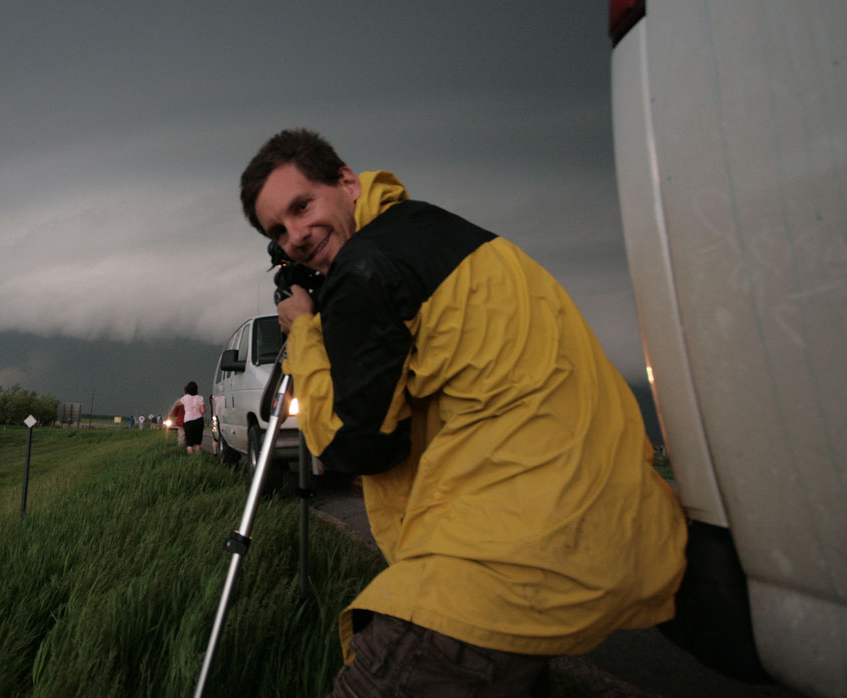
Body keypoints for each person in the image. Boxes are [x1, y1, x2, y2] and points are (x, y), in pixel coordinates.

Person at [238, 129, 687, 697]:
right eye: (279, 230)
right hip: (588, 520)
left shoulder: (367, 267)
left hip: (495, 555)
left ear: (347, 183)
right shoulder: (441, 234)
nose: (296, 236)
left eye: (302, 207)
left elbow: (356, 447)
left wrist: (306, 333)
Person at [177, 381, 205, 454]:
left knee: (189, 443)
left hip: (188, 421)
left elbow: (178, 404)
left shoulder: (184, 398)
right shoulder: (200, 398)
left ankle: (190, 458)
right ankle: (198, 458)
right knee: (197, 443)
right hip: (199, 420)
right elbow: (203, 410)